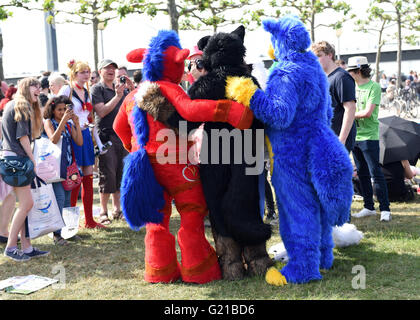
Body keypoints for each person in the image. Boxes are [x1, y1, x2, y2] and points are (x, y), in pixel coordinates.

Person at [1, 77, 49, 261]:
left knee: (24, 205)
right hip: (17, 161)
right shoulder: (21, 106)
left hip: (11, 159)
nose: (38, 89)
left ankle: (26, 247)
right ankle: (12, 246)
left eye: (39, 86)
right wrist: (32, 160)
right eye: (34, 86)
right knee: (27, 204)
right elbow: (23, 137)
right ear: (25, 88)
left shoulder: (15, 105)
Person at [58, 60, 106, 229]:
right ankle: (70, 223)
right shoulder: (67, 90)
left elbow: (89, 115)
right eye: (82, 72)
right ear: (74, 74)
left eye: (88, 71)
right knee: (74, 178)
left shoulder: (87, 91)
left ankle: (89, 221)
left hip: (86, 135)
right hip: (72, 135)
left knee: (88, 177)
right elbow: (56, 111)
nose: (86, 74)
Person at [346, 56, 392, 222]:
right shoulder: (351, 87)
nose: (348, 74)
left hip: (369, 137)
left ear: (358, 71)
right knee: (362, 174)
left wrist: (348, 115)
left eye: (350, 71)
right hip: (354, 136)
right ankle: (368, 207)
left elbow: (367, 112)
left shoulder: (375, 87)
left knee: (375, 173)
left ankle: (385, 209)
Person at [91, 59, 130, 224]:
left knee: (120, 173)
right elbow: (102, 111)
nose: (111, 71)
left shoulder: (120, 88)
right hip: (105, 137)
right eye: (107, 68)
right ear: (100, 71)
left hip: (122, 137)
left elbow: (131, 107)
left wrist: (131, 88)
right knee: (107, 174)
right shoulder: (96, 89)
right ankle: (103, 211)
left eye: (113, 68)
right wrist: (117, 96)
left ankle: (117, 209)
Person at [43, 95, 83, 245]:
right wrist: (63, 122)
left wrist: (77, 124)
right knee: (59, 198)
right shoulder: (48, 122)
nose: (62, 112)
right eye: (59, 110)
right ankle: (56, 234)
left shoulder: (67, 124)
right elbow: (53, 139)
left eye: (64, 109)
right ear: (52, 110)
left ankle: (67, 231)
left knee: (67, 199)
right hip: (54, 168)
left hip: (68, 167)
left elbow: (79, 142)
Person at [312, 41, 357, 152]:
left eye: (319, 56)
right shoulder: (324, 77)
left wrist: (341, 139)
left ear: (329, 55)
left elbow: (350, 108)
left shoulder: (341, 77)